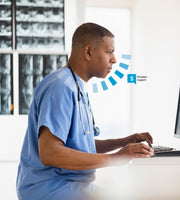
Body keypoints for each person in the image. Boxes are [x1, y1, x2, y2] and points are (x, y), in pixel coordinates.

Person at [16, 22, 154, 200]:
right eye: (109, 52)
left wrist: (124, 142)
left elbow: (80, 146)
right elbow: (50, 153)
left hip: (66, 185)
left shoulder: (75, 87)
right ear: (88, 52)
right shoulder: (61, 86)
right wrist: (118, 158)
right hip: (49, 188)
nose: (115, 60)